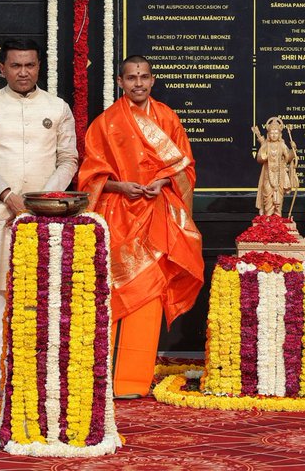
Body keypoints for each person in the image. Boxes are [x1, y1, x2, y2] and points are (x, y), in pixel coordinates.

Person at [78, 55, 204, 398]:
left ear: (152, 80)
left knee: (148, 294)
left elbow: (185, 167)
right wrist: (120, 186)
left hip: (157, 216)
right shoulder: (106, 123)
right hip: (118, 215)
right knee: (119, 291)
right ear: (120, 81)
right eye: (131, 78)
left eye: (144, 77)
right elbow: (89, 175)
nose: (138, 83)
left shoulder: (167, 118)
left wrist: (162, 182)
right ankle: (104, 377)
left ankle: (133, 379)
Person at [0, 38, 78, 397]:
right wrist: (7, 195)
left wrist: (44, 199)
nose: (23, 72)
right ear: (2, 69)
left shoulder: (57, 107)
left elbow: (69, 159)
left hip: (47, 217)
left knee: (45, 295)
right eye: (16, 65)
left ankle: (42, 368)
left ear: (39, 67)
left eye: (30, 65)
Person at [252, 116, 299, 217]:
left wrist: (293, 150)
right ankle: (268, 218)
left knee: (279, 199)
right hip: (267, 175)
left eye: (276, 133)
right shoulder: (266, 144)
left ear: (280, 134)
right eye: (272, 133)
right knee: (267, 195)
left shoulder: (282, 145)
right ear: (268, 134)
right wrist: (265, 156)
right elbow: (259, 158)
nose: (274, 135)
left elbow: (289, 157)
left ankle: (277, 220)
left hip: (279, 175)